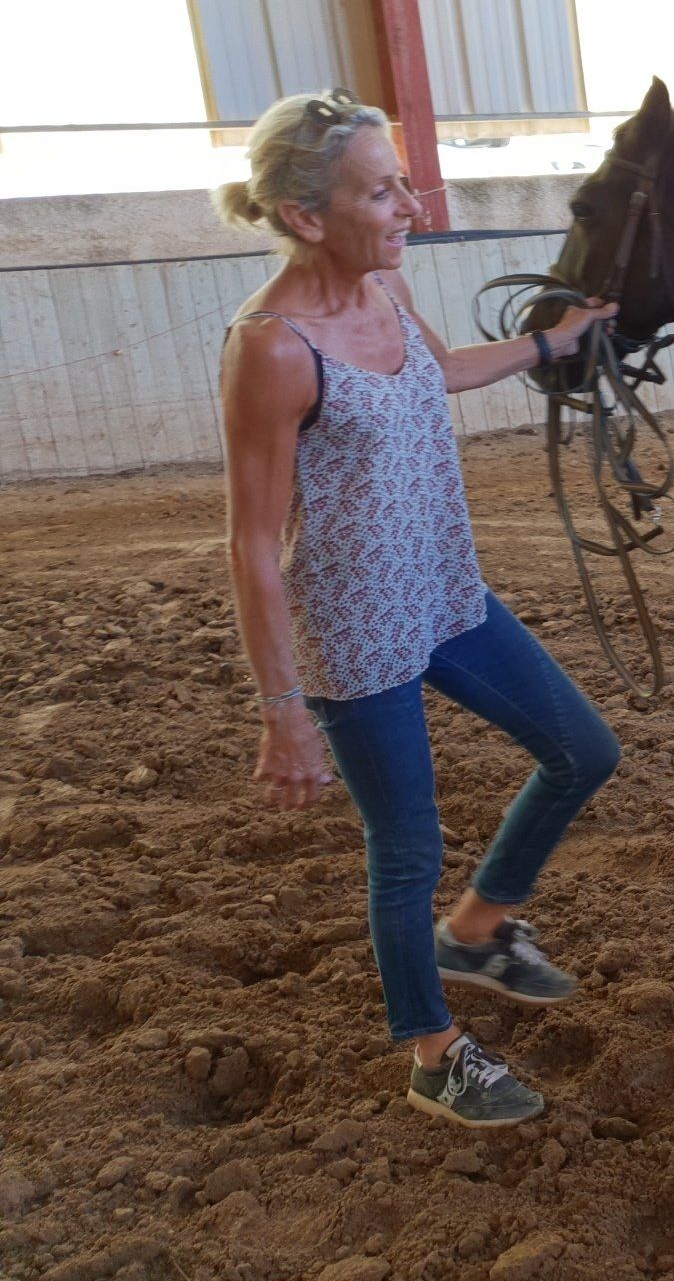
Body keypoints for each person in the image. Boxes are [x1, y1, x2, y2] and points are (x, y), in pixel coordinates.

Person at [215, 88, 622, 1128]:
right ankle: (435, 1053)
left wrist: (554, 344)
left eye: (404, 180)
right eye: (383, 189)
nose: (411, 205)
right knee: (405, 850)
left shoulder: (386, 292)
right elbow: (253, 542)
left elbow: (440, 374)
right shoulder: (271, 348)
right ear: (307, 217)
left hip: (446, 593)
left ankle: (480, 925)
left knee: (583, 750)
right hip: (355, 635)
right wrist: (281, 710)